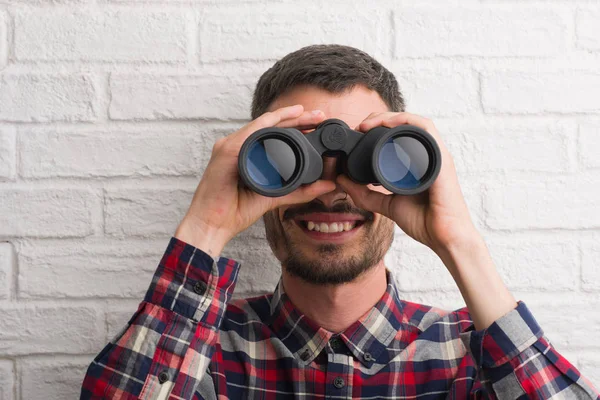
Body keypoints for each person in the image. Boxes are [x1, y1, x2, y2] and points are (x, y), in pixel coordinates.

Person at [80, 44, 600, 399]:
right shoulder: (202, 350)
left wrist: (458, 240)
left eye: (361, 158)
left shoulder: (468, 353)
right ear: (249, 162)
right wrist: (206, 226)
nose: (330, 193)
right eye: (292, 158)